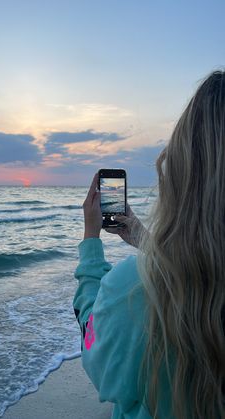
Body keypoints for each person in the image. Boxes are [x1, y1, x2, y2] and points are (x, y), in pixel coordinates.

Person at [73, 70, 225, 419]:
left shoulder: (135, 289)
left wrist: (91, 241)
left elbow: (96, 355)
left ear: (187, 168)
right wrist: (145, 239)